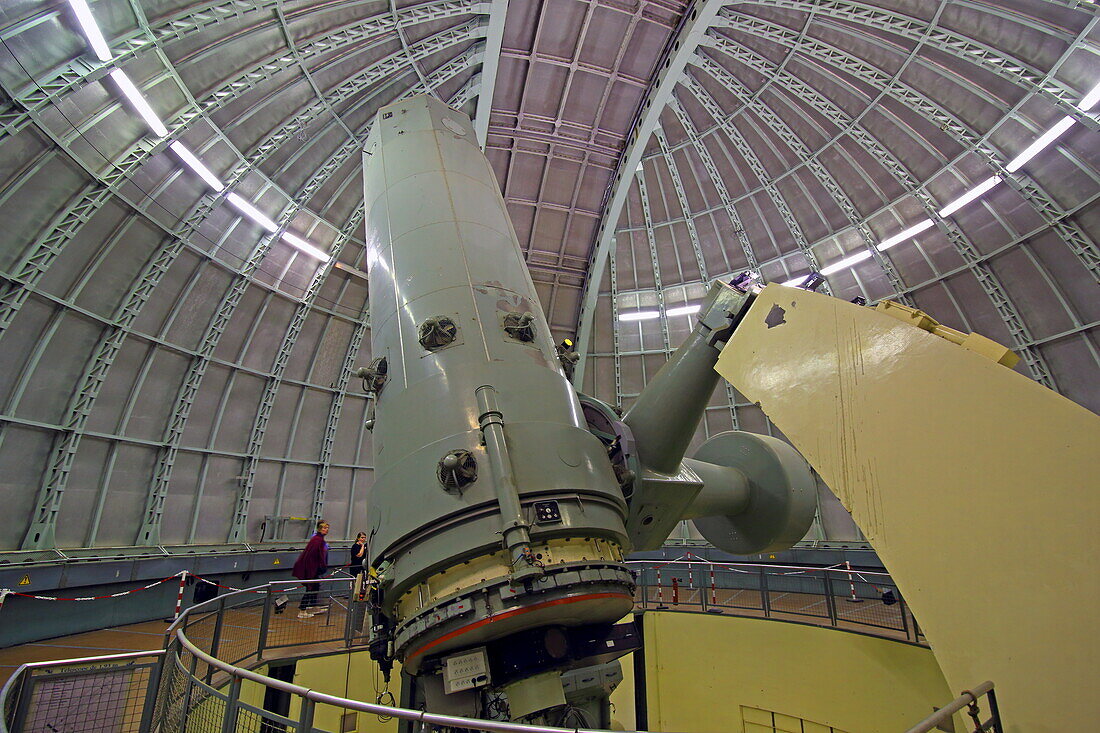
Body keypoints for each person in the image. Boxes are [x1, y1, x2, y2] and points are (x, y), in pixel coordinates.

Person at [292, 519, 329, 619]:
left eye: (327, 528)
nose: (326, 530)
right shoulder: (317, 540)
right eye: (324, 528)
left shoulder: (318, 540)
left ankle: (314, 606)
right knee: (310, 588)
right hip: (311, 570)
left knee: (315, 587)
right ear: (319, 529)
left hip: (314, 569)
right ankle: (302, 610)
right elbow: (314, 556)